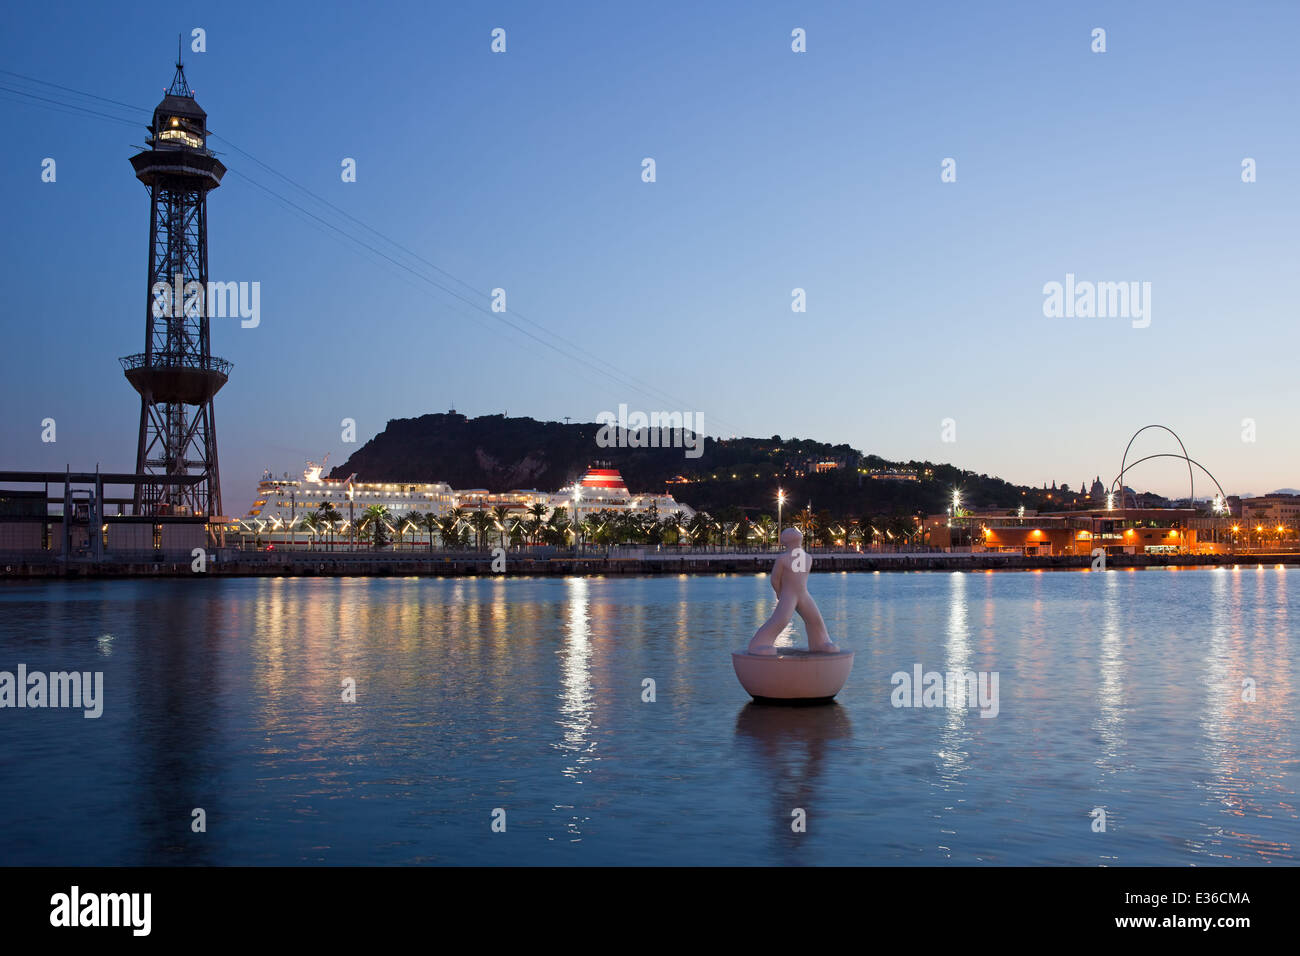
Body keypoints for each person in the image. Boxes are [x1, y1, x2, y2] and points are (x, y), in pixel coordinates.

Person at [747, 527, 839, 655]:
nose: (794, 529)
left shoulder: (807, 557)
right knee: (780, 620)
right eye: (791, 530)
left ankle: (820, 642)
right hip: (789, 594)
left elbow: (777, 579)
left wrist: (780, 592)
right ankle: (759, 643)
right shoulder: (784, 558)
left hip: (803, 594)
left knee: (815, 619)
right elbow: (774, 579)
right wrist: (780, 593)